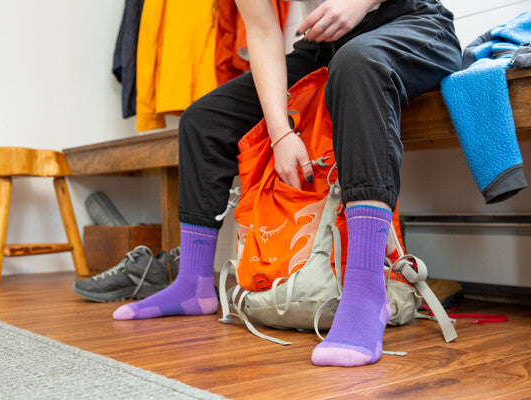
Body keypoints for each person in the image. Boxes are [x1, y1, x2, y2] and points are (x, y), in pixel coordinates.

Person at [113, 0, 462, 367]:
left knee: (357, 63)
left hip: (411, 24)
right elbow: (264, 34)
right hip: (326, 46)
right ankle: (194, 285)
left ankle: (366, 294)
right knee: (203, 121)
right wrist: (280, 134)